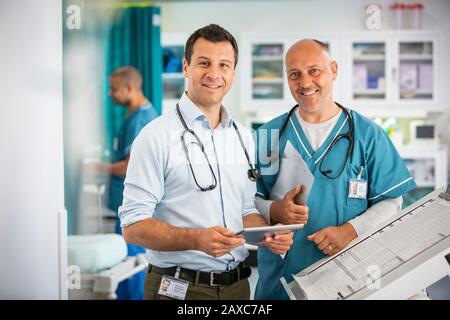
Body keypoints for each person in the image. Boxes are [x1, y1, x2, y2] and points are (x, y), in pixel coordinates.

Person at [119, 24, 294, 300]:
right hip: (178, 288)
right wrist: (197, 239)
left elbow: (246, 208)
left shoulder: (243, 138)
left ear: (233, 74)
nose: (214, 73)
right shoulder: (155, 137)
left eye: (224, 65)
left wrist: (268, 235)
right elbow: (132, 226)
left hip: (237, 288)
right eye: (204, 63)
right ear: (186, 67)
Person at [253, 39, 416, 300]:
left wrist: (351, 230)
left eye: (314, 70)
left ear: (334, 70)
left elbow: (392, 200)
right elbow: (247, 203)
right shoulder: (268, 136)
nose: (305, 82)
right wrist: (274, 211)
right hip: (282, 281)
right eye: (295, 74)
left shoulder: (367, 135)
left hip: (351, 279)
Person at [98, 66, 158, 300]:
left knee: (131, 268)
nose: (110, 94)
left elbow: (130, 167)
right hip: (126, 211)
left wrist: (96, 168)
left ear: (129, 88)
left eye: (113, 89)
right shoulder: (136, 115)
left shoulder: (140, 121)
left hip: (132, 213)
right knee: (124, 269)